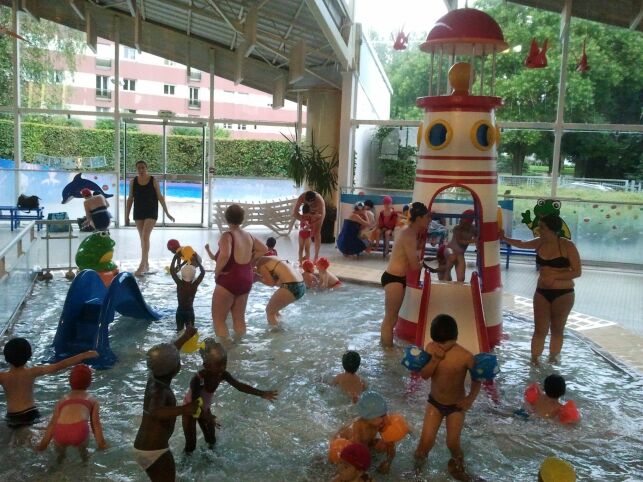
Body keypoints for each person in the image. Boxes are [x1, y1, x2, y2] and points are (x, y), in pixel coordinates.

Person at [499, 213, 581, 364]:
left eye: (542, 227)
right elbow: (522, 243)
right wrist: (504, 238)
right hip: (542, 292)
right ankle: (534, 361)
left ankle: (553, 359)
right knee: (539, 330)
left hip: (563, 293)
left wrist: (554, 277)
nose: (539, 229)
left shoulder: (567, 246)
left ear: (552, 229)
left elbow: (577, 271)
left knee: (557, 329)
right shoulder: (540, 242)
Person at [414, 314, 481, 480]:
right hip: (435, 403)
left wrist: (470, 399)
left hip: (456, 407)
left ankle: (461, 468)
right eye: (437, 343)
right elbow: (424, 375)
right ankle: (416, 471)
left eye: (444, 344)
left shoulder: (465, 356)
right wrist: (435, 360)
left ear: (456, 338)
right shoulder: (430, 348)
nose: (440, 347)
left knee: (452, 443)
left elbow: (477, 378)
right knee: (425, 443)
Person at [181, 339, 278, 453]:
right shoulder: (198, 379)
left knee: (212, 440)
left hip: (204, 409)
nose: (222, 368)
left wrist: (261, 393)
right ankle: (183, 467)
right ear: (206, 365)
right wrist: (208, 417)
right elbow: (195, 406)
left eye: (224, 363)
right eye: (218, 365)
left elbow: (239, 386)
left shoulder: (222, 374)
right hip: (189, 410)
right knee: (191, 445)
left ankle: (209, 461)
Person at [133, 327, 201, 482]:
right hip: (155, 452)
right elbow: (155, 411)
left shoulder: (153, 377)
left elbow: (170, 352)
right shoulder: (160, 391)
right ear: (176, 368)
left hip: (143, 448)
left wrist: (185, 337)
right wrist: (185, 409)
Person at [0, 338, 97, 431]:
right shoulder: (32, 372)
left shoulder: (3, 377)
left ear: (6, 357)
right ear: (29, 355)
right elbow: (59, 366)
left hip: (12, 417)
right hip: (31, 414)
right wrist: (83, 355)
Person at [205, 204, 268, 340]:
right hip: (246, 278)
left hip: (229, 278)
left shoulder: (227, 236)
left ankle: (225, 353)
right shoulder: (249, 236)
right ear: (242, 219)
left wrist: (217, 272)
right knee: (239, 319)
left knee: (219, 320)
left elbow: (225, 255)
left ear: (226, 219)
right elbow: (263, 249)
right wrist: (251, 260)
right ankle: (240, 349)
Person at [380, 202, 430, 348]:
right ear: (419, 218)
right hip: (393, 278)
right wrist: (428, 263)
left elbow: (407, 257)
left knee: (392, 319)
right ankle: (387, 353)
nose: (428, 220)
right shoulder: (409, 234)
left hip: (397, 278)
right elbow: (414, 266)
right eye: (427, 217)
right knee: (390, 319)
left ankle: (385, 345)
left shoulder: (410, 232)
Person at [36, 364, 107, 462]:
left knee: (59, 457)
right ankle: (84, 462)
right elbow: (96, 424)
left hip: (60, 431)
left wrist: (43, 445)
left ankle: (59, 464)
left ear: (70, 382)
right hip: (79, 431)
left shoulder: (62, 400)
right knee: (84, 455)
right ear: (89, 382)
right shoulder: (92, 400)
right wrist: (102, 444)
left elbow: (52, 424)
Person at [125, 160, 175, 277]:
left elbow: (160, 197)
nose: (141, 170)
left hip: (151, 211)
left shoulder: (153, 180)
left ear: (146, 168)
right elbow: (130, 199)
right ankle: (146, 263)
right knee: (142, 239)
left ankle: (142, 265)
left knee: (145, 236)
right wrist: (126, 215)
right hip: (138, 211)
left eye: (143, 168)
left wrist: (167, 213)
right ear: (136, 169)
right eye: (139, 168)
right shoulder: (133, 182)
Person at [334, 391, 396, 474]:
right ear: (370, 416)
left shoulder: (377, 423)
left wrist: (388, 463)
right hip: (343, 452)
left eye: (385, 414)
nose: (385, 419)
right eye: (382, 416)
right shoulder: (355, 433)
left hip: (362, 447)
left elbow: (391, 445)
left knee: (384, 444)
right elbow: (355, 465)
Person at [255, 256, 306, 328]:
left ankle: (277, 336)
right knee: (275, 310)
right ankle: (281, 327)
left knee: (270, 312)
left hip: (291, 285)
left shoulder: (261, 264)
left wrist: (257, 278)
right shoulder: (274, 258)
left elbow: (271, 283)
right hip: (302, 286)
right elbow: (278, 282)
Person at [170, 251, 205, 332]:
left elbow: (172, 271)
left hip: (180, 311)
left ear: (182, 275)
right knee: (191, 333)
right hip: (190, 312)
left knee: (179, 331)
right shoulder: (194, 285)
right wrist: (197, 260)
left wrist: (175, 257)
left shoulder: (179, 284)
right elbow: (203, 272)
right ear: (193, 276)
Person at [293, 190, 326, 261]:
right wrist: (303, 220)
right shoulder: (301, 198)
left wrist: (310, 224)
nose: (311, 205)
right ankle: (306, 255)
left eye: (312, 204)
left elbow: (320, 217)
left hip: (318, 213)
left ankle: (316, 256)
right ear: (305, 200)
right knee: (306, 233)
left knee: (317, 233)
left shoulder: (319, 201)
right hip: (308, 212)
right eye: (309, 204)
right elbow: (294, 213)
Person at [446, 210, 477, 282]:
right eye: (462, 221)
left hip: (459, 253)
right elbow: (460, 241)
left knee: (461, 279)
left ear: (470, 222)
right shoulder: (457, 228)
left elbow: (479, 238)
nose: (462, 223)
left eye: (465, 222)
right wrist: (473, 240)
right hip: (450, 250)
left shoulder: (473, 229)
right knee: (447, 272)